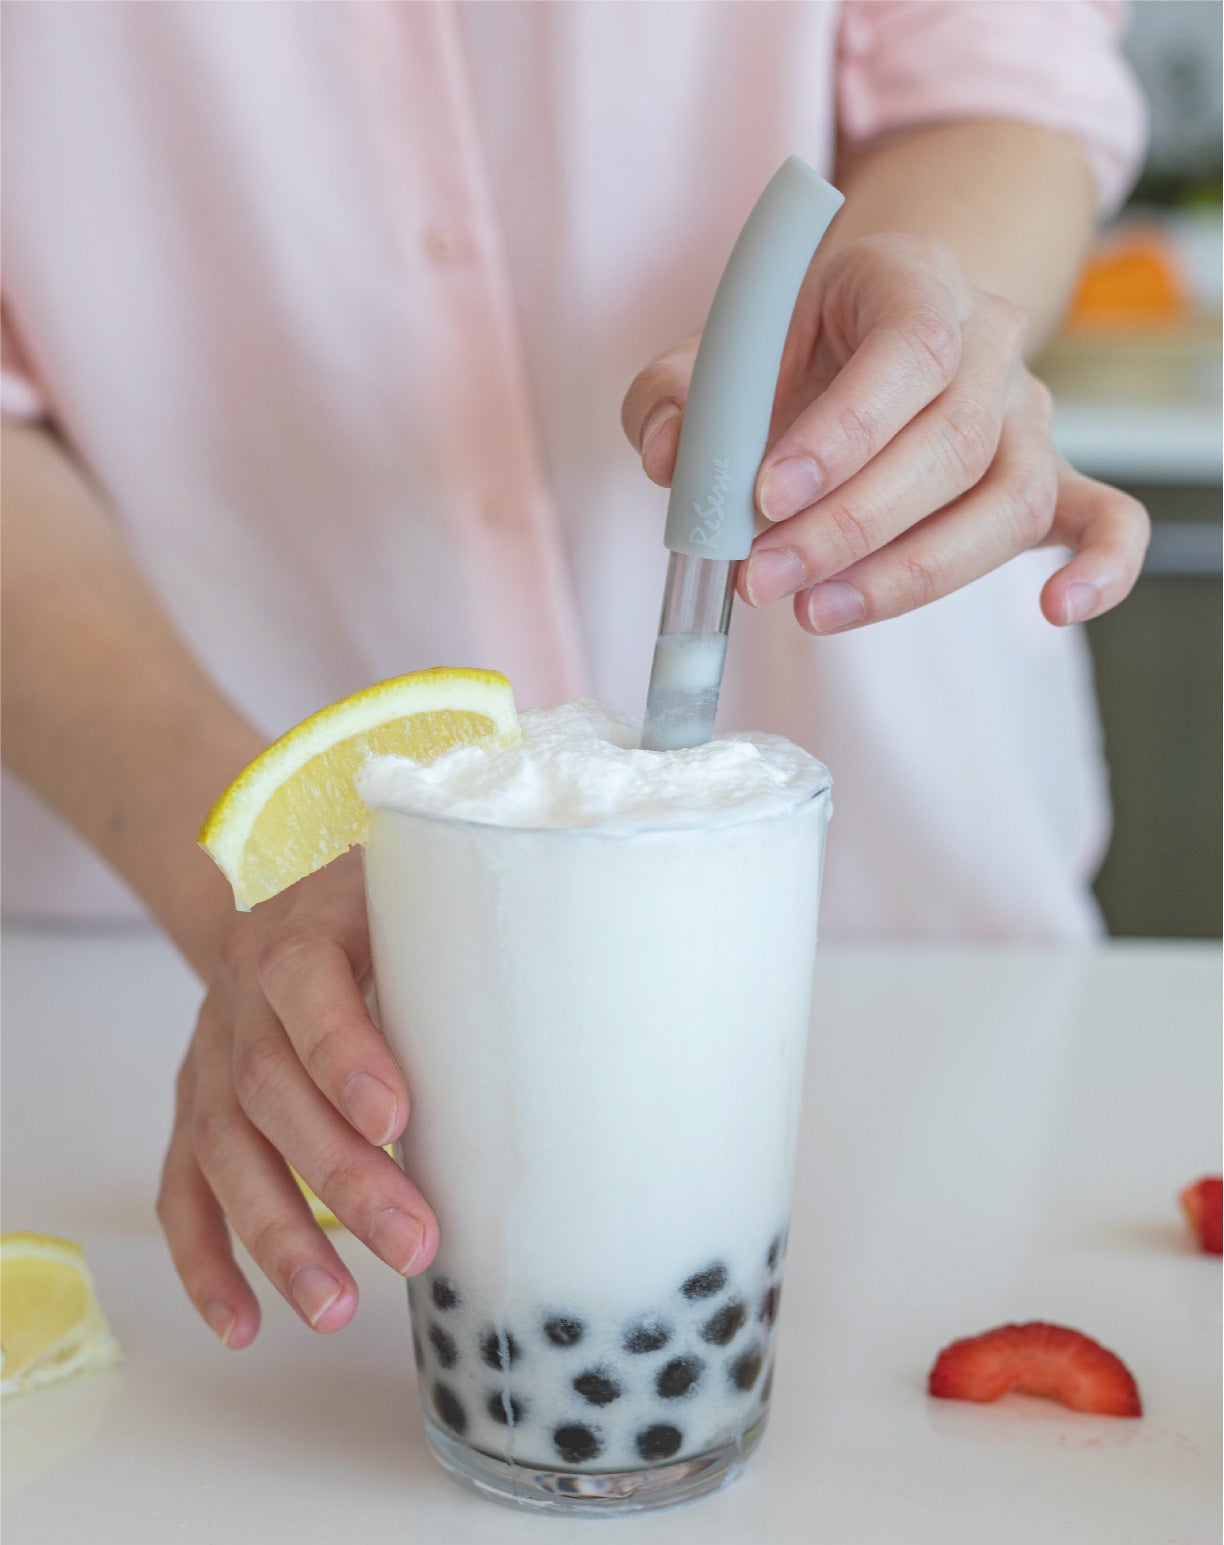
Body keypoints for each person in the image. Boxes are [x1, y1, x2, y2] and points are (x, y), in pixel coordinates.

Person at [2, 1, 1150, 1349]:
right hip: (143, 953)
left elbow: (991, 80)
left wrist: (926, 321)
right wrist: (263, 876)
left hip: (912, 945)